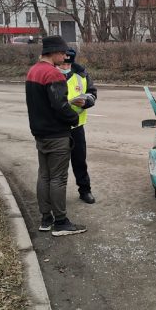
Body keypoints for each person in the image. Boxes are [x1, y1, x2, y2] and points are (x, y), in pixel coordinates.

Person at [25, 36, 86, 236]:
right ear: (53, 52)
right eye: (62, 53)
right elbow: (60, 106)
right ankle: (61, 222)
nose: (65, 56)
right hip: (57, 135)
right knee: (58, 178)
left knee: (44, 175)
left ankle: (45, 218)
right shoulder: (53, 74)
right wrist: (73, 119)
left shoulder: (32, 71)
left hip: (40, 133)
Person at [58, 48, 98, 204]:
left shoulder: (81, 74)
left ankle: (85, 190)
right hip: (58, 127)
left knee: (80, 161)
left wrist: (87, 101)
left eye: (68, 64)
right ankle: (58, 195)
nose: (65, 67)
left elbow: (92, 93)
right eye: (63, 64)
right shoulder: (51, 75)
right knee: (59, 165)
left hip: (77, 126)